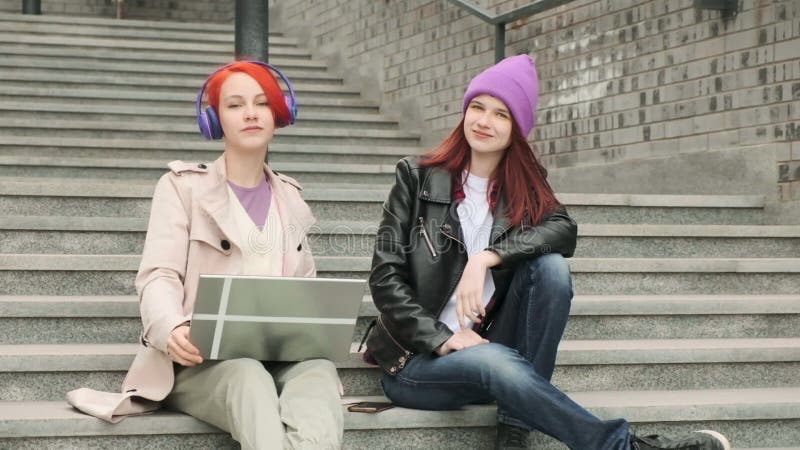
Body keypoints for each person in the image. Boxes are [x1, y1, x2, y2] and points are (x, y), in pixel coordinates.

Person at [362, 54, 731, 450]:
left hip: (492, 351)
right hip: (418, 363)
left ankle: (515, 424)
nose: (484, 121)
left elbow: (563, 230)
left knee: (551, 269)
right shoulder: (416, 177)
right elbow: (385, 279)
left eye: (501, 114)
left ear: (517, 129)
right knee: (496, 360)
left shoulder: (524, 188)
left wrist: (485, 257)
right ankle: (626, 447)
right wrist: (442, 338)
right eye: (478, 108)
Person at [67, 61, 343, 450]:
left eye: (262, 103)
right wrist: (171, 328)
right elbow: (158, 275)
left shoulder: (290, 196)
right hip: (199, 362)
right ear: (214, 120)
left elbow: (305, 288)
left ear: (280, 114)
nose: (250, 113)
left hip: (279, 356)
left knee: (318, 373)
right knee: (247, 375)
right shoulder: (183, 188)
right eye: (234, 105)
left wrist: (315, 334)